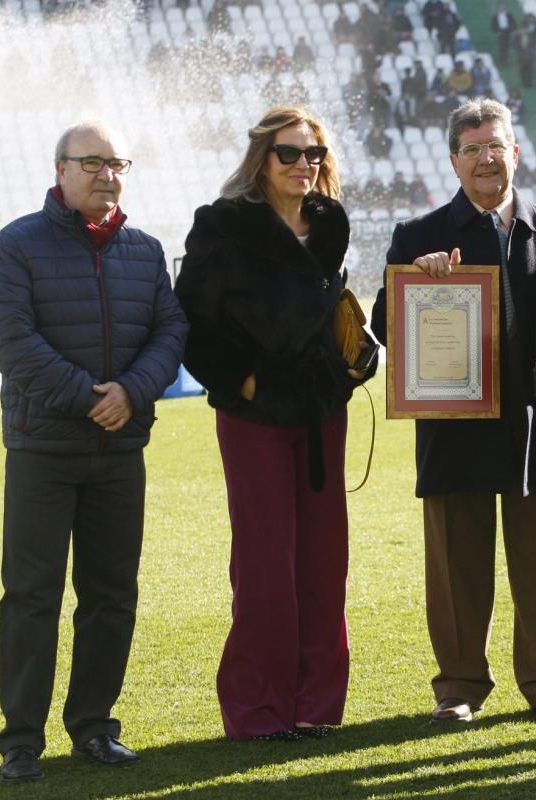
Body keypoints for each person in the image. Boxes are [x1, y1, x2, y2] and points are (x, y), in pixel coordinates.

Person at [0, 120, 188, 782]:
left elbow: (170, 330)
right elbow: (7, 337)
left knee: (111, 595)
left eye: (117, 162)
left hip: (120, 451)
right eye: (92, 162)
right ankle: (21, 741)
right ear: (60, 169)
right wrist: (86, 396)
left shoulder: (144, 250)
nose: (107, 174)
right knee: (31, 596)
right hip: (43, 448)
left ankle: (94, 727)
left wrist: (130, 391)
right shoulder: (18, 245)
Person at [368, 99, 536, 725]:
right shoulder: (419, 235)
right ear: (454, 160)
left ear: (516, 151)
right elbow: (386, 324)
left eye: (498, 145)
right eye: (473, 149)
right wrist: (418, 277)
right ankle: (458, 685)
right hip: (453, 422)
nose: (487, 158)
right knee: (456, 562)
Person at [174, 106, 375, 742]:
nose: (303, 165)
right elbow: (193, 323)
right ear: (262, 158)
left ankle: (316, 705)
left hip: (322, 412)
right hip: (255, 415)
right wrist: (242, 382)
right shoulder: (223, 223)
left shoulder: (330, 223)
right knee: (264, 564)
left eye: (314, 154)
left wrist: (352, 363)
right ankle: (258, 711)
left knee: (324, 562)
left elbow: (330, 311)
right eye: (289, 153)